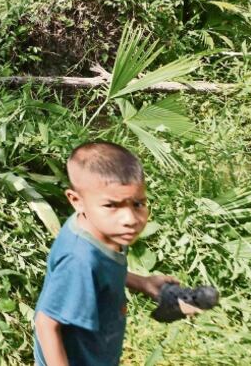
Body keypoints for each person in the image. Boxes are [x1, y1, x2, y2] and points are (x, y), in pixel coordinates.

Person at [34, 141, 178, 366]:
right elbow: (46, 323)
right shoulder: (79, 259)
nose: (130, 219)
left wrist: (141, 282)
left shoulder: (104, 229)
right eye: (112, 205)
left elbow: (102, 271)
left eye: (138, 203)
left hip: (96, 350)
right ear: (76, 201)